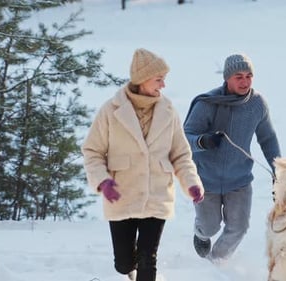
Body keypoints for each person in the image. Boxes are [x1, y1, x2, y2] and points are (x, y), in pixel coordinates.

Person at [82, 48, 204, 281]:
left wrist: (191, 182)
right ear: (142, 79)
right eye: (159, 79)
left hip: (157, 194)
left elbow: (181, 154)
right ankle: (130, 267)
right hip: (122, 195)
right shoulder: (110, 110)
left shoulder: (168, 111)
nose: (163, 85)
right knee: (124, 262)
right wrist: (103, 180)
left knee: (148, 258)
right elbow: (92, 151)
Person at [183, 53, 281, 263]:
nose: (245, 81)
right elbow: (185, 136)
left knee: (239, 228)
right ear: (227, 78)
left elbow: (268, 138)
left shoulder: (257, 104)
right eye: (239, 76)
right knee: (210, 226)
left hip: (239, 180)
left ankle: (215, 263)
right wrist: (203, 141)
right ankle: (200, 233)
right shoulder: (208, 103)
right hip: (206, 179)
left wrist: (278, 170)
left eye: (249, 76)